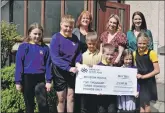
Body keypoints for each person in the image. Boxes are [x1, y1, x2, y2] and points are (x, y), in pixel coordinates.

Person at [15, 23, 52, 113]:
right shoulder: (23, 47)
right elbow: (19, 65)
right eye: (35, 34)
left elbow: (48, 65)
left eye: (39, 34)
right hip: (27, 78)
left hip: (40, 78)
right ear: (29, 34)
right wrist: (18, 81)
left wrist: (48, 81)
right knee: (29, 104)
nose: (37, 36)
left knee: (43, 103)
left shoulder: (45, 48)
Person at [50, 15, 82, 113]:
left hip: (72, 71)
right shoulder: (56, 38)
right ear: (61, 25)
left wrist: (77, 62)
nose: (68, 29)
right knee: (61, 98)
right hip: (60, 71)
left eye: (71, 27)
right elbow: (55, 58)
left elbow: (78, 53)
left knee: (71, 97)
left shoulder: (75, 38)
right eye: (66, 26)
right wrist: (68, 68)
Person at [133, 31, 160, 112]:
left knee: (147, 107)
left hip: (148, 82)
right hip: (139, 82)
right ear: (137, 42)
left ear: (147, 43)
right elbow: (135, 67)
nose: (141, 45)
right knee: (141, 106)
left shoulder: (152, 53)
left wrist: (143, 76)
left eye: (144, 43)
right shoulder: (134, 53)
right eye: (140, 43)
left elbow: (157, 70)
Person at [76, 32, 102, 113]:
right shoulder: (83, 55)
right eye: (89, 44)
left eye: (93, 44)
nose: (91, 46)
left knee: (94, 106)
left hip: (96, 86)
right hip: (85, 86)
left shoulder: (100, 55)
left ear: (96, 43)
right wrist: (80, 66)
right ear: (87, 43)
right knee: (84, 106)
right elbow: (78, 65)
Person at [97, 43, 117, 113]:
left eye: (111, 54)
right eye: (107, 54)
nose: (109, 56)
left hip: (112, 97)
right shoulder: (98, 67)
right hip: (101, 97)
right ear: (102, 54)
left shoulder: (115, 67)